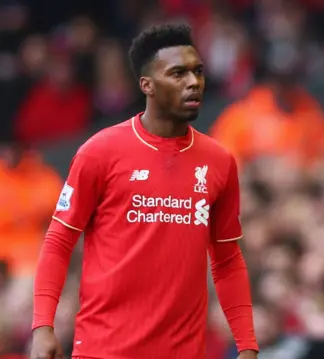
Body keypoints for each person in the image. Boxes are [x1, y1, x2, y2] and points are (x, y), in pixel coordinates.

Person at [30, 24, 259, 359]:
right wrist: (42, 327)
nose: (193, 82)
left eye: (198, 71)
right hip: (104, 350)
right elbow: (58, 242)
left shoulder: (219, 162)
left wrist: (247, 344)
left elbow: (227, 259)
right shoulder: (100, 152)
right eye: (178, 74)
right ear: (147, 85)